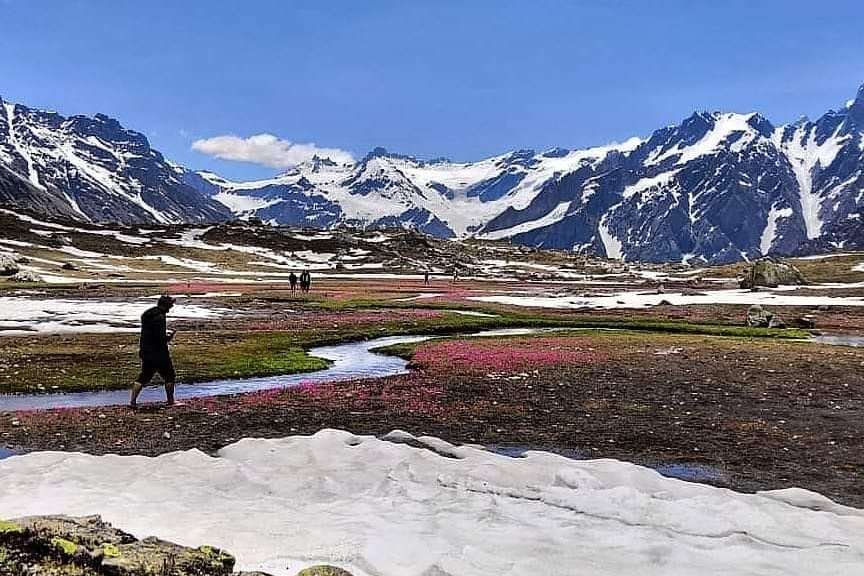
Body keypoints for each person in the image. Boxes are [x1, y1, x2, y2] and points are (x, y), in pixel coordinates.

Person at [130, 294, 177, 408]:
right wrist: (168, 338)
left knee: (144, 376)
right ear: (166, 306)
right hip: (159, 353)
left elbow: (152, 333)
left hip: (146, 350)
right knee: (170, 376)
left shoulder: (148, 314)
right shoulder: (160, 317)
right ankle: (170, 402)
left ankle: (132, 402)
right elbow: (159, 338)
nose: (170, 309)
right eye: (170, 306)